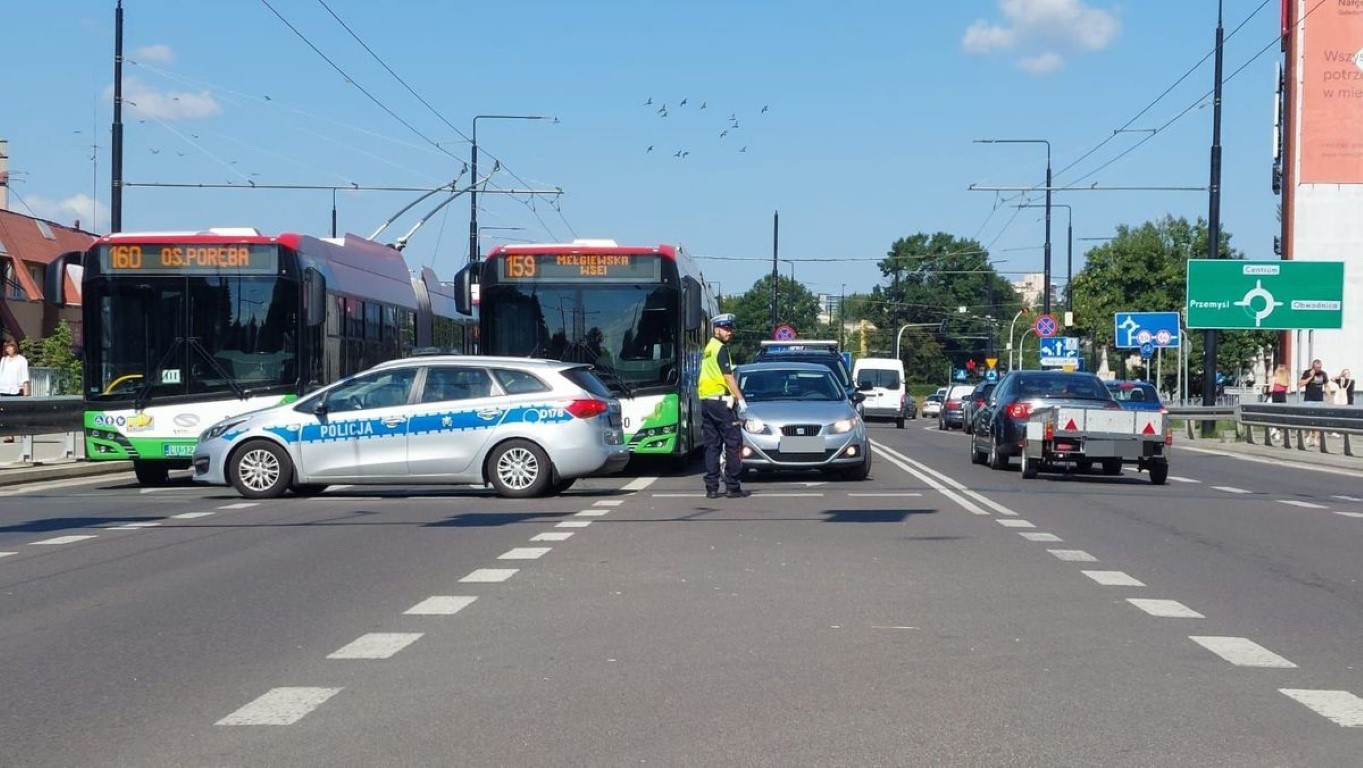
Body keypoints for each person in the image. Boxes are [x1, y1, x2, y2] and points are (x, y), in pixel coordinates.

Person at [698, 314, 750, 499]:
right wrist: (741, 399)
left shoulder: (709, 348)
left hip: (707, 401)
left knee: (712, 445)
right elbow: (728, 377)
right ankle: (732, 485)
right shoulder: (720, 349)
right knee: (733, 442)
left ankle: (711, 488)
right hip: (722, 403)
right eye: (726, 328)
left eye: (731, 329)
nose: (730, 332)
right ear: (716, 329)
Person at [0, 337, 30, 443]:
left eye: (10, 347)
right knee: (5, 413)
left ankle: (21, 431)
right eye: (6, 347)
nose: (8, 349)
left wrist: (26, 394)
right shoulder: (4, 360)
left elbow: (25, 378)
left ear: (15, 347)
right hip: (4, 389)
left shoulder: (21, 360)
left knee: (16, 413)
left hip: (16, 390)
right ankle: (9, 434)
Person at [1300, 358, 1328, 446]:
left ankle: (1316, 439)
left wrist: (1329, 397)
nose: (1318, 369)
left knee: (1318, 421)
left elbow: (1326, 386)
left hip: (1319, 400)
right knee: (1308, 420)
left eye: (1320, 367)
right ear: (1313, 367)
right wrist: (1311, 377)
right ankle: (1308, 436)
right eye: (1317, 367)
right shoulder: (1307, 372)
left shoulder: (1323, 374)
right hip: (1309, 399)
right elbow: (1301, 383)